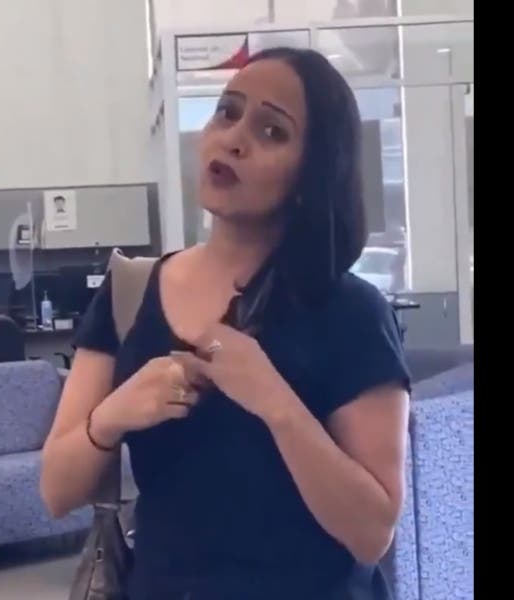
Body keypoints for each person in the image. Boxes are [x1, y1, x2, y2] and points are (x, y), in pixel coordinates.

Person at [40, 47, 410, 599]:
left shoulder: (351, 311)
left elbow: (371, 533)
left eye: (271, 131)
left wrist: (275, 402)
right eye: (227, 112)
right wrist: (115, 414)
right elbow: (56, 491)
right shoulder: (129, 293)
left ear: (310, 173)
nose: (234, 139)